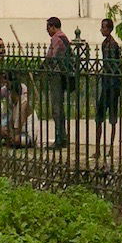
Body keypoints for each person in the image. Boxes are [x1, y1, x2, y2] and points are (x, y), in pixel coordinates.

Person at [45, 15, 77, 150]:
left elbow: (51, 57)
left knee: (56, 108)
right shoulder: (64, 37)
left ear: (53, 26)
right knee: (60, 108)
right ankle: (63, 136)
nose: (47, 30)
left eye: (48, 27)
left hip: (57, 75)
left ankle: (59, 138)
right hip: (64, 75)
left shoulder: (56, 38)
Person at [96, 17, 122, 140]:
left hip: (112, 84)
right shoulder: (104, 44)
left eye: (103, 27)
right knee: (100, 116)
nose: (101, 29)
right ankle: (99, 149)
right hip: (106, 83)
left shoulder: (112, 45)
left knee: (112, 118)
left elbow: (114, 65)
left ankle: (111, 148)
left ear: (109, 29)